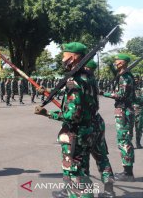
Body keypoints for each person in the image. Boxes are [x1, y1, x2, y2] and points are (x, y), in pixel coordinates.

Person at [35, 42, 95, 198]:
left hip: (75, 133)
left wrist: (48, 114)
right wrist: (48, 92)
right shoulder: (88, 77)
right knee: (82, 171)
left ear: (73, 57)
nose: (62, 58)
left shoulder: (74, 81)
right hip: (86, 131)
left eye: (64, 55)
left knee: (74, 172)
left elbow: (73, 115)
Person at [102, 54, 136, 181]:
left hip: (124, 111)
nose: (115, 63)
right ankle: (127, 171)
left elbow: (121, 95)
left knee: (124, 141)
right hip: (124, 110)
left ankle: (127, 173)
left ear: (123, 63)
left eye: (117, 61)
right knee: (125, 140)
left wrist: (104, 93)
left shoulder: (125, 77)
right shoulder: (124, 75)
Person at [84, 60, 115, 197]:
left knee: (81, 160)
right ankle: (109, 191)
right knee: (102, 158)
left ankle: (84, 192)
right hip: (97, 121)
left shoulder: (82, 80)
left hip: (85, 124)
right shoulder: (93, 80)